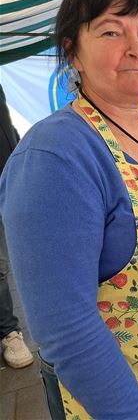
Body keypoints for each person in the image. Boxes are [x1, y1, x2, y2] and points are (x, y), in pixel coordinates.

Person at [0, 0, 138, 419]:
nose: (137, 47)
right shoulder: (55, 156)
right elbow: (66, 329)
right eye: (110, 31)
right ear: (73, 52)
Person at [0, 84, 34, 370]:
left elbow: (6, 130)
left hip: (5, 183)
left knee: (2, 265)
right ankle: (8, 331)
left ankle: (8, 330)